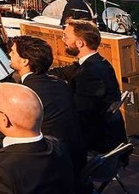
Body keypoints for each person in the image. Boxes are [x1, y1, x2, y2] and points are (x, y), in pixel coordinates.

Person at [8, 35, 86, 180]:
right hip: (75, 159)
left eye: (13, 52)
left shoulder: (28, 93)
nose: (9, 55)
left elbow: (16, 133)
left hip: (53, 169)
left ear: (25, 61)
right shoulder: (58, 83)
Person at [50, 19, 127, 153]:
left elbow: (81, 115)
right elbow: (64, 71)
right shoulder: (96, 62)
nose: (63, 40)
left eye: (66, 37)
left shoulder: (90, 73)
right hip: (102, 133)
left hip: (98, 143)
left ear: (80, 43)